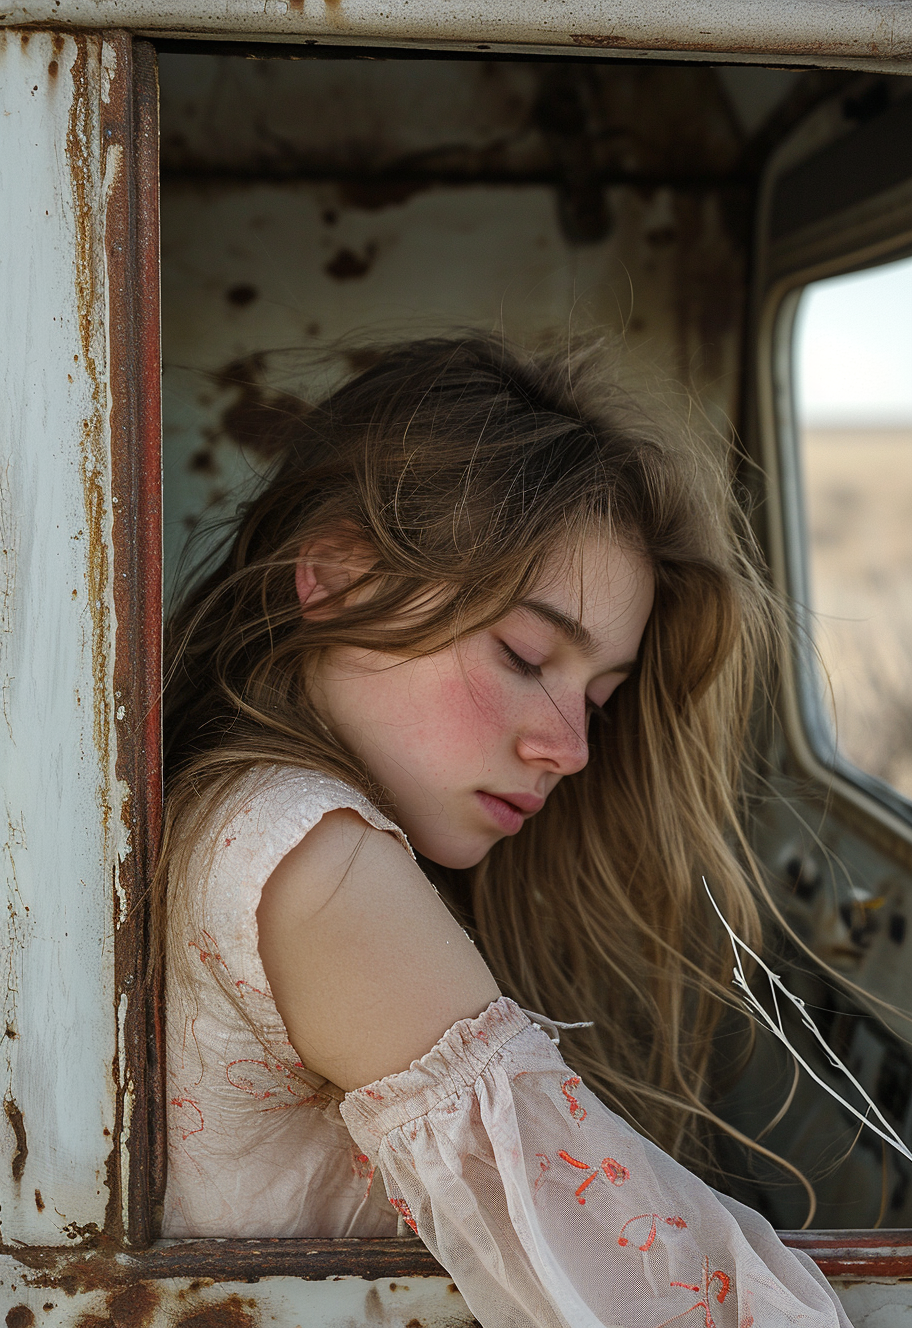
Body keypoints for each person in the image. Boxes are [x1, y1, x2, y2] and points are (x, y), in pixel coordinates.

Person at [158, 336, 852, 1326]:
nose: (570, 746)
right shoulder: (319, 859)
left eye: (599, 698)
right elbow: (676, 1307)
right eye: (527, 655)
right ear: (340, 575)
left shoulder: (232, 803)